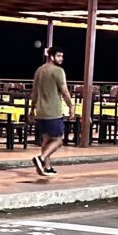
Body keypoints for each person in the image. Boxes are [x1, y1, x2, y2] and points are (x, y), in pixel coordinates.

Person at [30, 47, 73, 177]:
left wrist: (32, 109)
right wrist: (71, 106)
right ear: (51, 56)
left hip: (40, 111)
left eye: (62, 56)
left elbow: (34, 92)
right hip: (53, 111)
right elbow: (65, 91)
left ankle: (47, 167)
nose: (61, 59)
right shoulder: (58, 71)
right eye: (59, 56)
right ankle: (41, 158)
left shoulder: (39, 70)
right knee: (59, 140)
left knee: (46, 139)